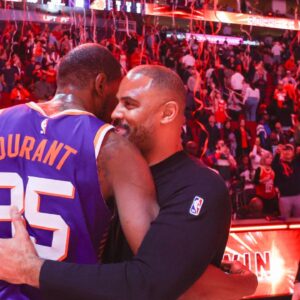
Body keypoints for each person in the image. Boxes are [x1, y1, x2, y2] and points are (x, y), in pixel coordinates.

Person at [0, 65, 257, 300]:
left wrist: (31, 270)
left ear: (167, 113)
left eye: (129, 104)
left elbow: (158, 281)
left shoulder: (198, 186)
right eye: (117, 101)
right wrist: (241, 284)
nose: (114, 112)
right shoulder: (101, 163)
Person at [0, 44, 158, 299]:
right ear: (101, 84)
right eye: (117, 95)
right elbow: (156, 266)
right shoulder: (113, 149)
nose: (117, 111)